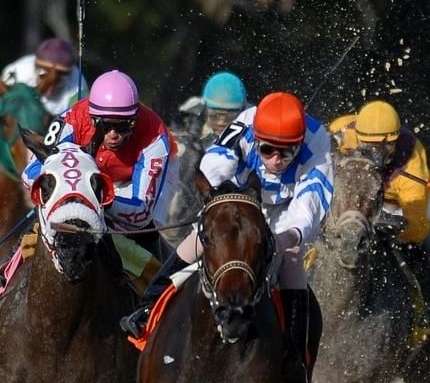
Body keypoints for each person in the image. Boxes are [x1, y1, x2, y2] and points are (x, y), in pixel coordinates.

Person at [123, 92, 332, 383]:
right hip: (238, 198)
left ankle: (294, 357)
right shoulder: (246, 123)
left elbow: (310, 200)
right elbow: (216, 163)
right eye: (268, 150)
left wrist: (287, 237)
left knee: (293, 261)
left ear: (300, 144)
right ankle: (147, 307)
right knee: (197, 240)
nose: (276, 160)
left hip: (287, 211)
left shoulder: (317, 141)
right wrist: (217, 202)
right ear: (257, 138)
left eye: (287, 153)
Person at [27, 69, 175, 265]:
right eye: (105, 125)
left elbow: (140, 213)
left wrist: (98, 199)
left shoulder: (155, 137)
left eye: (123, 126)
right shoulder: (72, 118)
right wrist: (65, 190)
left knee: (144, 230)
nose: (113, 134)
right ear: (92, 117)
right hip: (88, 182)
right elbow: (30, 173)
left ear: (135, 119)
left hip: (133, 184)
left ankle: (164, 277)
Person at [326, 99, 430, 339]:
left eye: (384, 147)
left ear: (395, 141)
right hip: (359, 199)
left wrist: (388, 228)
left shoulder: (411, 160)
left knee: (413, 248)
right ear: (357, 135)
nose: (376, 154)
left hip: (399, 204)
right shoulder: (342, 131)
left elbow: (417, 228)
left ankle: (424, 310)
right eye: (368, 146)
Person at [2, 37, 86, 118]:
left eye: (58, 82)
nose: (50, 91)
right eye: (43, 77)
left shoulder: (78, 86)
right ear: (35, 68)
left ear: (69, 76)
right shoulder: (19, 71)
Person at [175, 70, 250, 145]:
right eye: (215, 115)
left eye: (230, 116)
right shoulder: (186, 132)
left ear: (242, 113)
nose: (221, 122)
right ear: (205, 110)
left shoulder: (250, 134)